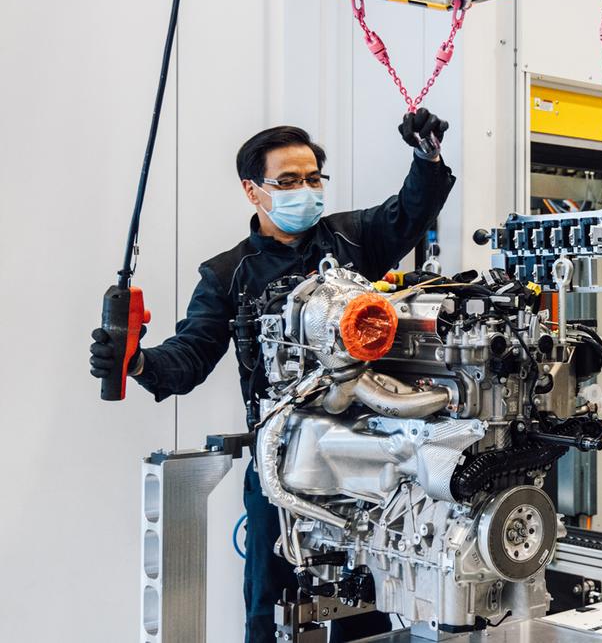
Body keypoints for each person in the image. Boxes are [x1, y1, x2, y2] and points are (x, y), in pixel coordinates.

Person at [89, 109, 456, 642]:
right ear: (252, 189)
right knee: (274, 607)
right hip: (283, 466)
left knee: (373, 601)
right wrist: (137, 360)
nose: (303, 190)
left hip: (370, 457)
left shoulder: (354, 240)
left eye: (312, 179)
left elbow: (411, 211)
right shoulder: (226, 274)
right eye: (287, 181)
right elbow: (189, 357)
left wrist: (427, 157)